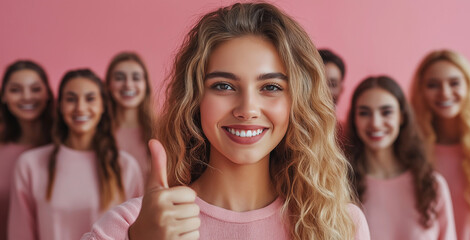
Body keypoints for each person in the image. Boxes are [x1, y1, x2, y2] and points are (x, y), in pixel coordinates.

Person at [81, 3, 370, 240]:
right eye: (224, 86)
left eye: (270, 87)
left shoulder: (341, 226)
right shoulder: (130, 226)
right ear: (194, 99)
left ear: (297, 102)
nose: (247, 109)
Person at [8, 69, 144, 240]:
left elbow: (138, 232)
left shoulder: (125, 166)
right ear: (60, 106)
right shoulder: (29, 165)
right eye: (71, 99)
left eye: (90, 99)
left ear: (103, 106)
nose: (80, 107)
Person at [346, 76, 456, 239]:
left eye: (386, 112)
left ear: (402, 117)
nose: (375, 123)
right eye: (364, 113)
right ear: (354, 120)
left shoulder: (432, 186)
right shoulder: (342, 187)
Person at [410, 49, 470, 240]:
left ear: (469, 86)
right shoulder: (410, 151)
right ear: (421, 91)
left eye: (454, 83)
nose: (445, 93)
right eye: (433, 85)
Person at [0, 60, 54, 240]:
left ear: (47, 93)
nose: (26, 96)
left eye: (35, 89)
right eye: (15, 90)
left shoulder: (64, 147)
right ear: (4, 96)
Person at [105, 52, 153, 182]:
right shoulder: (98, 132)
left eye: (136, 78)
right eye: (119, 78)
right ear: (108, 85)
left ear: (145, 85)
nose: (128, 84)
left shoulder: (163, 131)